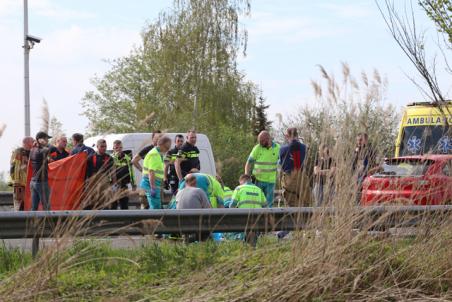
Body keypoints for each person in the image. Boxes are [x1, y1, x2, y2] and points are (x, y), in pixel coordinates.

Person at [245, 130, 280, 207]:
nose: (260, 143)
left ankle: (267, 218)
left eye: (261, 141)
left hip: (270, 182)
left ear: (268, 139)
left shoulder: (278, 148)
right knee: (256, 203)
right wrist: (247, 177)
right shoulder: (257, 148)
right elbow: (248, 163)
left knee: (268, 204)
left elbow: (282, 162)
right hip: (257, 181)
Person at [83, 139, 116, 209]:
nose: (104, 148)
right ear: (97, 147)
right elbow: (86, 172)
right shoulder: (91, 158)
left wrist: (114, 184)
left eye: (105, 146)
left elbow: (113, 172)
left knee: (105, 200)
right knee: (93, 201)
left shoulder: (109, 158)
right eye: (102, 146)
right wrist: (86, 185)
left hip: (105, 181)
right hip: (93, 182)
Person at [140, 136, 172, 209]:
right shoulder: (154, 154)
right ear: (160, 144)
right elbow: (151, 172)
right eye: (166, 147)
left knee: (156, 206)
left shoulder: (158, 154)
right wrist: (153, 188)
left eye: (169, 148)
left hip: (154, 183)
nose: (167, 150)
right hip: (151, 184)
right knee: (155, 208)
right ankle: (154, 220)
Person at [279, 127, 307, 206]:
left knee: (291, 205)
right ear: (297, 135)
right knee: (305, 204)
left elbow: (282, 163)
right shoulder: (304, 147)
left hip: (289, 178)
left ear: (287, 136)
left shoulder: (283, 149)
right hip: (302, 177)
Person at [9, 136, 34, 211]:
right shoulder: (19, 152)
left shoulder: (32, 152)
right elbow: (16, 167)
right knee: (19, 205)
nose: (34, 143)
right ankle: (18, 221)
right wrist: (17, 183)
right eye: (32, 141)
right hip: (20, 184)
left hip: (29, 184)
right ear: (27, 142)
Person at [29, 132, 52, 211]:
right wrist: (41, 143)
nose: (47, 141)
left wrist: (38, 143)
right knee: (46, 207)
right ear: (40, 140)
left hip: (33, 181)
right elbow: (50, 148)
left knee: (34, 207)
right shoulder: (42, 151)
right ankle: (48, 223)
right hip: (41, 182)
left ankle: (31, 223)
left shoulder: (32, 150)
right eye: (46, 139)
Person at [352, 133, 378, 203]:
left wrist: (365, 169)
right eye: (357, 140)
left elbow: (374, 165)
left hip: (367, 177)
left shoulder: (371, 150)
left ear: (365, 140)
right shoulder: (357, 150)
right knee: (357, 196)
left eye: (360, 140)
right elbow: (352, 165)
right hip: (357, 177)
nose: (358, 142)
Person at [111, 140, 135, 210]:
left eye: (120, 148)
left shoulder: (127, 158)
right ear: (113, 148)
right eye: (116, 148)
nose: (119, 149)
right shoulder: (111, 158)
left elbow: (131, 171)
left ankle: (125, 220)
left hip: (124, 185)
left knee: (124, 204)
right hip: (113, 186)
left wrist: (133, 183)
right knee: (113, 205)